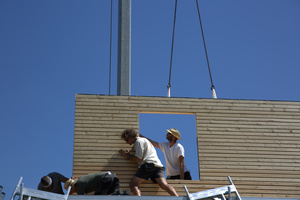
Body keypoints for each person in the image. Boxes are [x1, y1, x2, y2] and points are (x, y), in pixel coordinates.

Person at [119, 128, 178, 196]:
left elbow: (138, 158)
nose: (126, 142)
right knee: (163, 185)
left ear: (132, 137)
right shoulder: (144, 140)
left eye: (127, 140)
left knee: (133, 184)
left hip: (148, 166)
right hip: (157, 167)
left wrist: (127, 156)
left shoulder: (138, 142)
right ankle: (176, 197)